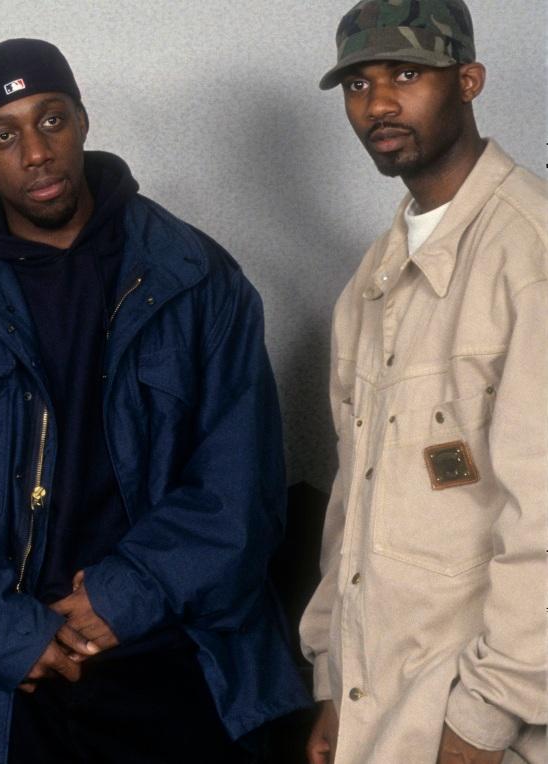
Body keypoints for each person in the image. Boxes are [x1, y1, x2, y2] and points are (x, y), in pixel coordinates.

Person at [0, 38, 308, 762]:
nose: (35, 152)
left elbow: (242, 484)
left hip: (175, 635)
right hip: (16, 664)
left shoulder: (197, 277)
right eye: (3, 136)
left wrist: (128, 592)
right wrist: (10, 633)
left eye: (51, 120)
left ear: (83, 120)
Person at [300, 2, 547, 762]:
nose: (377, 103)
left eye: (407, 74)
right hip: (382, 706)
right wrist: (334, 685)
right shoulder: (370, 281)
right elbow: (355, 505)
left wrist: (485, 718)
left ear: (468, 80)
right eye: (357, 83)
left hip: (484, 720)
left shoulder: (529, 256)